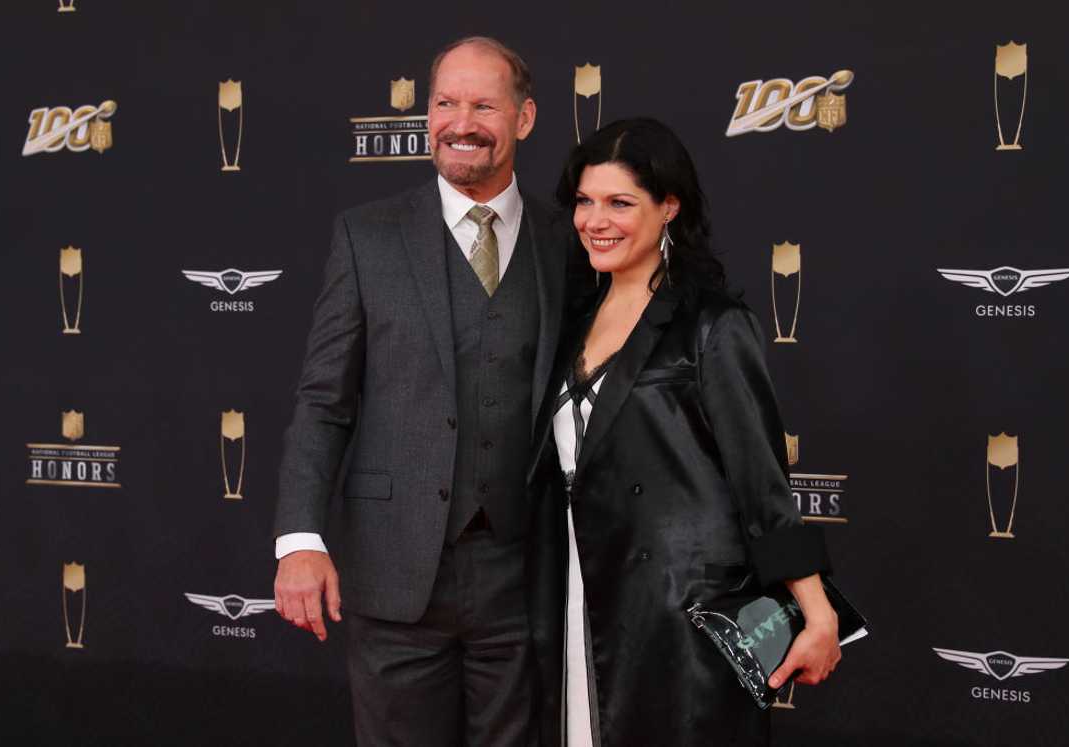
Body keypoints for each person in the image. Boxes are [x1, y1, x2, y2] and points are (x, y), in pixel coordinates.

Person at [272, 36, 585, 746]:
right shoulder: (366, 237)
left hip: (522, 577)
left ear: (525, 118)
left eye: (483, 104)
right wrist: (298, 537)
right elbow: (323, 401)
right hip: (396, 574)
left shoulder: (565, 241)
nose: (459, 121)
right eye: (444, 102)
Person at [527, 118, 842, 746]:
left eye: (620, 203)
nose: (596, 220)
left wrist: (817, 610)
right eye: (586, 202)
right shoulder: (571, 317)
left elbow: (762, 481)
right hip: (572, 594)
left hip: (678, 612)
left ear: (669, 206)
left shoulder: (712, 325)